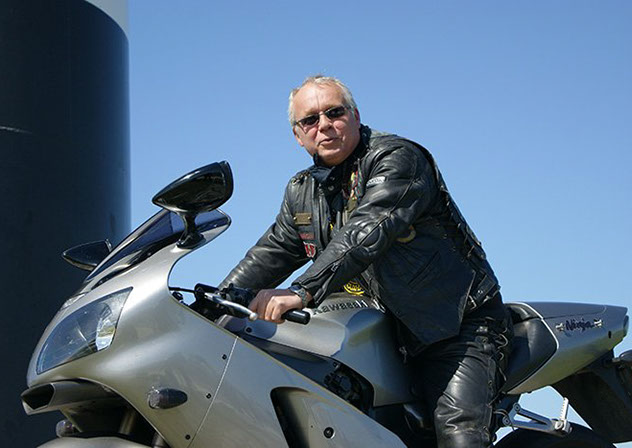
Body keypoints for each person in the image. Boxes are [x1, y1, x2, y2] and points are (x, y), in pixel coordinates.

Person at [220, 75, 512, 448]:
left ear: (355, 116)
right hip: (377, 336)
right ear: (298, 135)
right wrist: (215, 302)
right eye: (310, 120)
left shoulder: (396, 159)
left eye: (334, 112)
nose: (324, 125)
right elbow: (272, 251)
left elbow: (367, 231)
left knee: (459, 435)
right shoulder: (302, 191)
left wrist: (302, 291)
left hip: (454, 325)